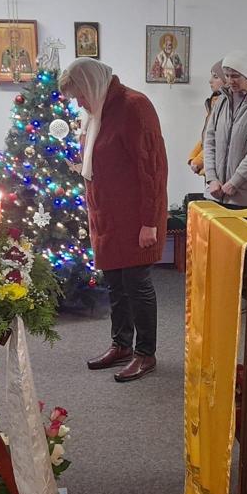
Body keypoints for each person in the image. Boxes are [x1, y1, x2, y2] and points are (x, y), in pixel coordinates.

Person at [59, 59, 168, 383]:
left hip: (135, 218)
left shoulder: (135, 106)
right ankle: (121, 345)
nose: (79, 103)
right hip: (108, 218)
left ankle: (145, 353)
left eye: (80, 95)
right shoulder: (99, 111)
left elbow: (152, 168)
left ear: (92, 85)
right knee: (117, 285)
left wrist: (149, 222)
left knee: (136, 285)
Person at [202, 50, 247, 208]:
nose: (230, 81)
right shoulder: (221, 101)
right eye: (227, 76)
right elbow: (209, 142)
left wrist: (235, 182)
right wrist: (212, 178)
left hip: (245, 196)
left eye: (235, 76)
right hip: (216, 192)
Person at [187, 61, 225, 176]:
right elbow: (206, 137)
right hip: (208, 164)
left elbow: (218, 140)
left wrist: (199, 161)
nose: (210, 81)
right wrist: (193, 156)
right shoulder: (214, 102)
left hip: (217, 168)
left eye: (215, 77)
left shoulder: (225, 105)